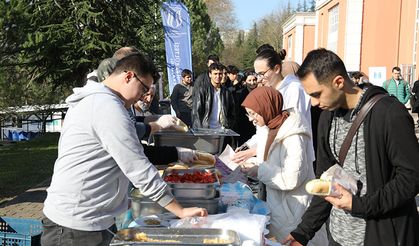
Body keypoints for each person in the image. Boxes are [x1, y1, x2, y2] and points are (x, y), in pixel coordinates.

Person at [41, 53, 208, 246]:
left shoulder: (103, 102)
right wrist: (180, 211)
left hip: (90, 219)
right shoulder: (107, 107)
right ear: (128, 76)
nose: (145, 96)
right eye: (143, 88)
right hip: (76, 225)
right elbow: (138, 167)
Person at [282, 48, 419, 246]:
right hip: (338, 236)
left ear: (338, 82)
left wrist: (360, 205)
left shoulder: (389, 114)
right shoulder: (327, 117)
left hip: (380, 235)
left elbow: (411, 177)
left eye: (317, 94)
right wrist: (304, 232)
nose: (313, 103)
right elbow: (325, 182)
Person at [240, 87, 328, 245]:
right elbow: (271, 164)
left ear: (266, 107)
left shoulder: (294, 135)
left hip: (294, 212)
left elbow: (292, 178)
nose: (250, 119)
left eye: (253, 113)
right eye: (248, 114)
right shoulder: (268, 128)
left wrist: (259, 170)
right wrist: (254, 166)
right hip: (279, 208)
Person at [232, 44, 312, 166]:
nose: (259, 79)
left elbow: (290, 129)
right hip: (272, 156)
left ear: (276, 69)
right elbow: (264, 128)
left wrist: (253, 151)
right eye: (257, 74)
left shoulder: (294, 89)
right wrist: (247, 146)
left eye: (262, 73)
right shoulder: (271, 90)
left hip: (292, 158)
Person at [192, 62, 236, 129]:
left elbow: (231, 112)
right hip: (206, 130)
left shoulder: (227, 92)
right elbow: (196, 112)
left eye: (220, 74)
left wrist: (228, 126)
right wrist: (200, 130)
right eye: (215, 74)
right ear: (210, 74)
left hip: (222, 130)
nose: (218, 76)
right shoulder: (202, 90)